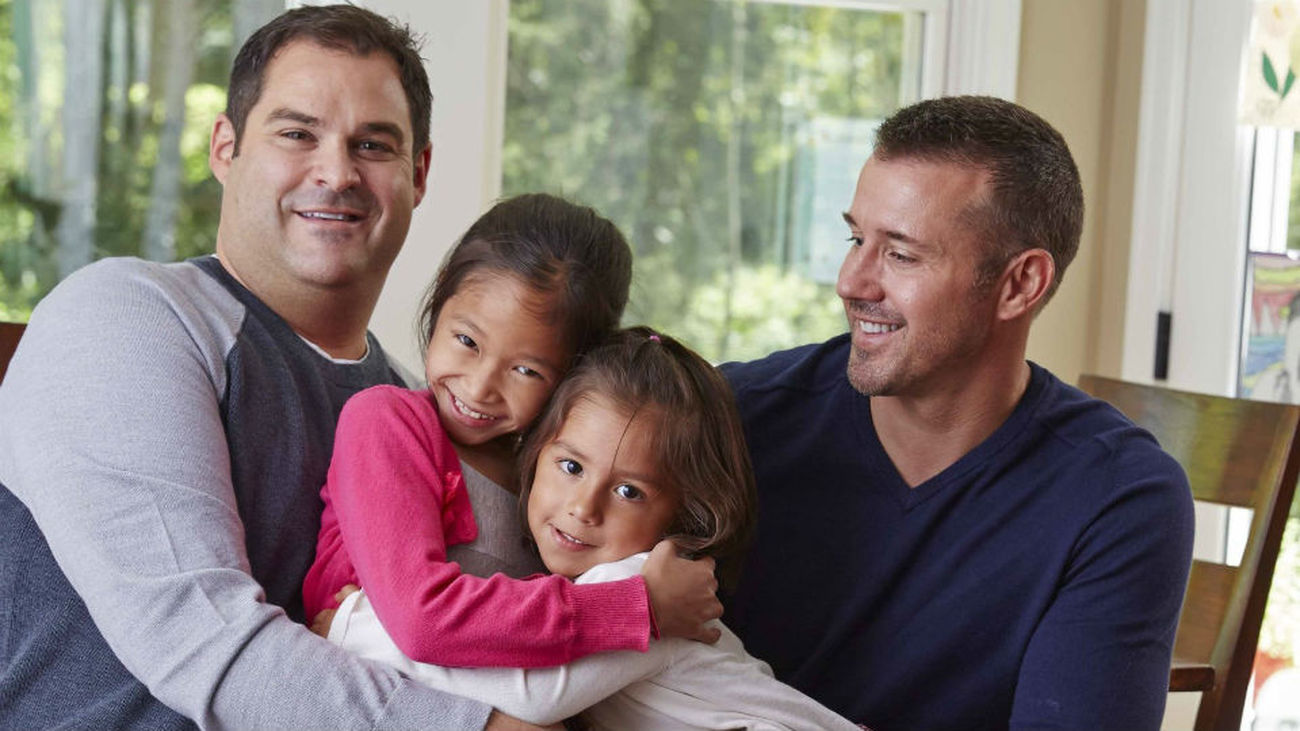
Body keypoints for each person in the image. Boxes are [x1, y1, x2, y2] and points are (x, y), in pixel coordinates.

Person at [0, 6, 717, 730]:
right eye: (296, 133)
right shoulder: (130, 315)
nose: (337, 172)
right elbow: (200, 637)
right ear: (225, 146)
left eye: (372, 145)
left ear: (418, 173)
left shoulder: (430, 413)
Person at [719, 95, 1196, 730]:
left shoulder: (1117, 498)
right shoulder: (728, 421)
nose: (851, 282)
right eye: (856, 238)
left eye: (901, 254)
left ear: (1020, 284)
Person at [320, 327, 859, 730]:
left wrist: (355, 627)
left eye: (629, 492)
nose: (584, 507)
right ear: (534, 453)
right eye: (571, 466)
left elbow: (532, 697)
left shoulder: (645, 588)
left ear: (682, 517)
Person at [302, 193, 723, 669]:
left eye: (526, 371)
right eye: (467, 340)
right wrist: (638, 608)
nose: (480, 388)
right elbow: (423, 621)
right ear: (441, 298)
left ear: (574, 375)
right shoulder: (386, 422)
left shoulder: (554, 476)